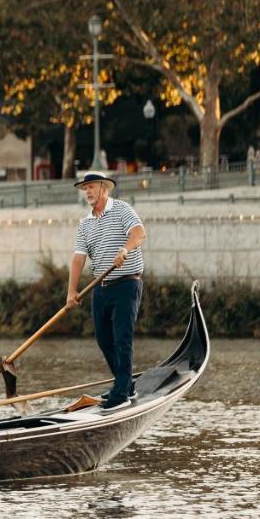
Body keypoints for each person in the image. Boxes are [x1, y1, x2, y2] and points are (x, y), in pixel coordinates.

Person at [67, 170, 147, 410]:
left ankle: (121, 393)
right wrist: (71, 291)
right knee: (104, 339)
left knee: (122, 338)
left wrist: (124, 249)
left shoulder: (122, 209)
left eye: (91, 187)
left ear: (104, 188)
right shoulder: (85, 224)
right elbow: (78, 259)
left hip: (127, 283)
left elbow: (139, 234)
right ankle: (127, 383)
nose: (88, 192)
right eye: (85, 188)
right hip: (100, 287)